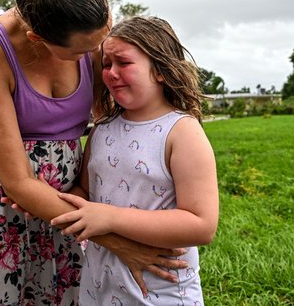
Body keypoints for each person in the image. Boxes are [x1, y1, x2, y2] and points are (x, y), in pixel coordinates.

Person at [0, 0, 185, 305]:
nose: (97, 54)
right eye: (82, 52)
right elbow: (18, 183)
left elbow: (109, 127)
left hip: (71, 208)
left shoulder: (89, 30)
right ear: (38, 38)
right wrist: (118, 241)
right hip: (2, 207)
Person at [51, 16, 219, 304]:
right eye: (106, 65)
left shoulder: (181, 132)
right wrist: (47, 197)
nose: (111, 73)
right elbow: (86, 191)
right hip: (99, 286)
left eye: (123, 63)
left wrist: (109, 217)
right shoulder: (102, 129)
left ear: (160, 70)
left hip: (160, 291)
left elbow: (201, 224)